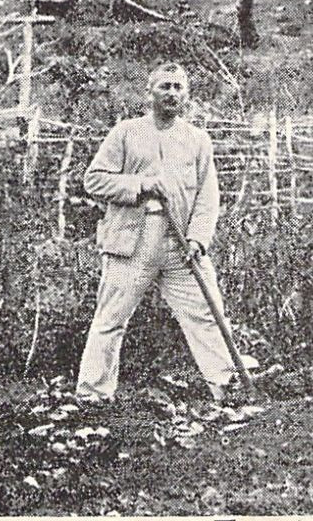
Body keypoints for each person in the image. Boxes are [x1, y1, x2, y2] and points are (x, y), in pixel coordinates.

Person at [76, 61, 251, 402]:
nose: (172, 93)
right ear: (150, 93)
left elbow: (207, 196)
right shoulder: (126, 132)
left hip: (180, 243)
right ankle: (93, 395)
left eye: (178, 87)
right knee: (111, 318)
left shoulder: (197, 140)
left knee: (206, 311)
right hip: (132, 242)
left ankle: (227, 387)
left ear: (187, 96)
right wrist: (140, 184)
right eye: (165, 87)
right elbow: (94, 180)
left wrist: (199, 239)